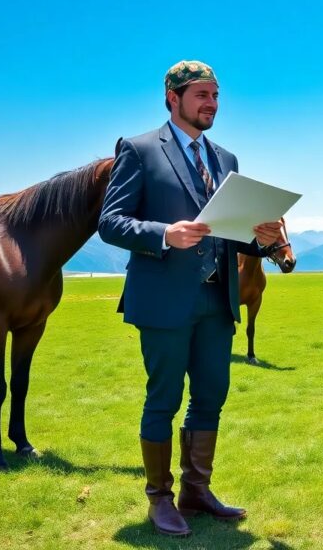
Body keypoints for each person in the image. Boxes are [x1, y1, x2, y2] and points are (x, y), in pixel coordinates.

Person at [98, 60, 284, 537]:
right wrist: (164, 233)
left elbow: (232, 235)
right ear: (172, 98)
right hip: (163, 300)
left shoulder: (228, 160)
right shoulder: (138, 150)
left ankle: (196, 492)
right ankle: (159, 499)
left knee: (211, 398)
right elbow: (111, 222)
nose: (212, 104)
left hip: (218, 301)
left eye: (216, 95)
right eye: (201, 95)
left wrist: (261, 237)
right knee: (163, 399)